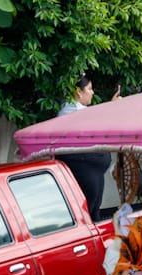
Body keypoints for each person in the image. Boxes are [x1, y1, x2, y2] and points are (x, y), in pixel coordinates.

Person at [56, 74, 120, 221]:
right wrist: (111, 106)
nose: (92, 92)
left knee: (95, 209)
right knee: (88, 210)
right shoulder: (69, 111)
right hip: (84, 167)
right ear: (79, 92)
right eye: (89, 89)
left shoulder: (81, 111)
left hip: (94, 168)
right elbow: (92, 118)